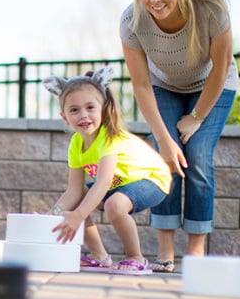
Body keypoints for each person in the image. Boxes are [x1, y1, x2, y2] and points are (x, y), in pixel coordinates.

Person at [120, 0, 239, 272]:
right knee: (165, 157)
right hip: (164, 86)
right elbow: (142, 85)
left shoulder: (211, 9)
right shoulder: (132, 21)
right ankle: (165, 250)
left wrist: (196, 117)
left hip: (213, 84)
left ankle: (197, 250)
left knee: (197, 155)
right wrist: (165, 138)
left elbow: (220, 67)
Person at [43, 67, 172, 271]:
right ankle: (99, 255)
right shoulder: (76, 144)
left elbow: (102, 183)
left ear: (103, 108)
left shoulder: (109, 137)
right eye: (74, 110)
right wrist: (53, 213)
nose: (83, 115)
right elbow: (74, 191)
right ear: (64, 116)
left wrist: (78, 216)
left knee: (114, 204)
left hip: (152, 179)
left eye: (90, 107)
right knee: (76, 202)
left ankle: (136, 257)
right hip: (120, 183)